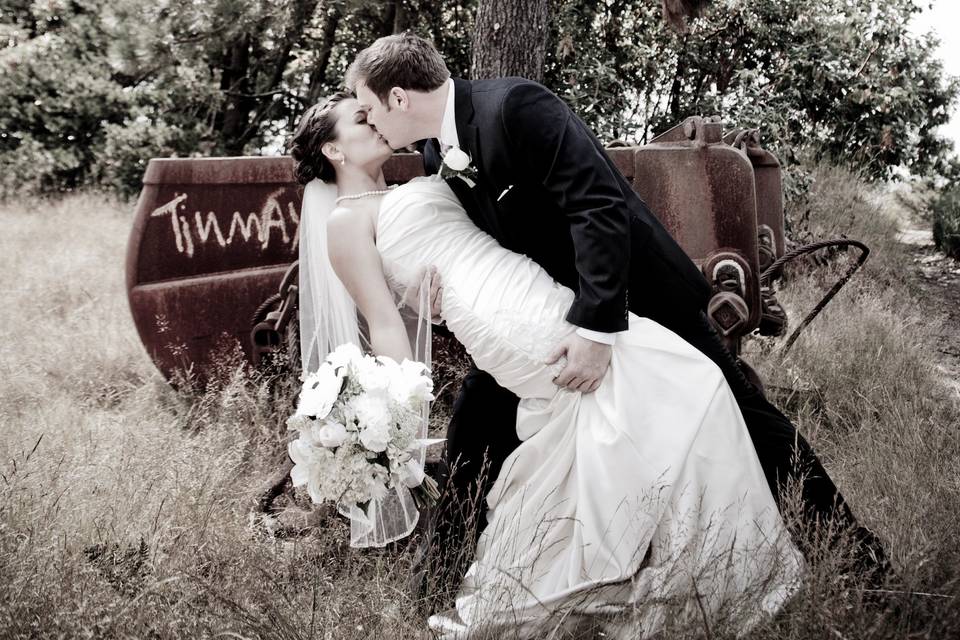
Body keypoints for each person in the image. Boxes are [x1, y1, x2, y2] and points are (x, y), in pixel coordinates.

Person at [342, 33, 891, 587]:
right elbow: (483, 247)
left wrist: (596, 328)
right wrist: (439, 295)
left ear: (400, 98)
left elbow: (598, 205)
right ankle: (438, 580)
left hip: (640, 292)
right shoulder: (440, 153)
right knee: (476, 422)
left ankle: (859, 562)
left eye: (368, 107)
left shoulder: (515, 106)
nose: (369, 121)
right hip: (544, 314)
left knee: (740, 411)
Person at [289, 91, 802, 638]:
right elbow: (386, 321)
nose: (373, 121)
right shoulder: (344, 222)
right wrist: (401, 412)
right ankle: (651, 561)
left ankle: (663, 556)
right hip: (506, 326)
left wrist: (428, 298)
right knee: (674, 388)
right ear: (333, 150)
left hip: (534, 294)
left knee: (662, 395)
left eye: (371, 110)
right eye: (358, 119)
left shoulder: (428, 170)